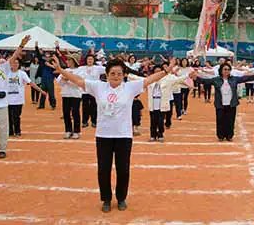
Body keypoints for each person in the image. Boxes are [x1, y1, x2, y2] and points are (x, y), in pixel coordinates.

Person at [47, 56, 170, 213]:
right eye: (113, 73)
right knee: (103, 169)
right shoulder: (99, 87)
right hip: (103, 135)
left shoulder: (130, 88)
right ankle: (106, 198)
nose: (116, 76)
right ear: (107, 74)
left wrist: (165, 71)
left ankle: (121, 198)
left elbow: (148, 80)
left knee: (123, 169)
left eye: (119, 73)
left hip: (124, 136)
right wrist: (62, 70)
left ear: (124, 74)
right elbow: (79, 81)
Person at [196, 63, 254, 141]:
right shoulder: (216, 79)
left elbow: (244, 79)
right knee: (220, 120)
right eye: (225, 69)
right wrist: (195, 78)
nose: (226, 71)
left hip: (232, 104)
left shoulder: (234, 79)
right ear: (221, 70)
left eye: (228, 69)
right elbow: (205, 81)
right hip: (220, 103)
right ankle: (220, 136)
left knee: (230, 120)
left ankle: (229, 136)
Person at [7, 58, 44, 137]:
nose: (15, 65)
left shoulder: (22, 73)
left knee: (16, 116)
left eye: (17, 63)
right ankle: (10, 131)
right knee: (8, 117)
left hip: (18, 99)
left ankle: (17, 131)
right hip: (7, 99)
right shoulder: (6, 73)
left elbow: (31, 83)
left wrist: (40, 90)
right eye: (14, 63)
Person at [56, 54, 83, 139]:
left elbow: (78, 82)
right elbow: (59, 82)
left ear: (74, 61)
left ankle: (76, 131)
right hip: (66, 94)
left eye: (69, 60)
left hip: (76, 95)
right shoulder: (65, 70)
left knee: (75, 113)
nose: (67, 62)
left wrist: (68, 78)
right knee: (66, 113)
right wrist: (65, 79)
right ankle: (68, 130)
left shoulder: (80, 70)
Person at [77, 54, 106, 128]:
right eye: (88, 59)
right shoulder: (81, 68)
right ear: (86, 60)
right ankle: (84, 122)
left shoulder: (98, 68)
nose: (90, 60)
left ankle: (94, 122)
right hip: (84, 90)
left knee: (94, 106)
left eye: (91, 59)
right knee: (85, 107)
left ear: (94, 60)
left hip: (94, 91)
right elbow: (73, 73)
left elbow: (108, 69)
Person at [34, 42, 58, 110]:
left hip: (50, 80)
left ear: (50, 57)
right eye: (46, 56)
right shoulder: (42, 61)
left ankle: (53, 105)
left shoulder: (53, 63)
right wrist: (36, 47)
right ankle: (41, 105)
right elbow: (38, 55)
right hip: (43, 80)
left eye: (48, 56)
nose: (47, 57)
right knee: (43, 92)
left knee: (51, 93)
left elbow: (57, 55)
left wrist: (57, 47)